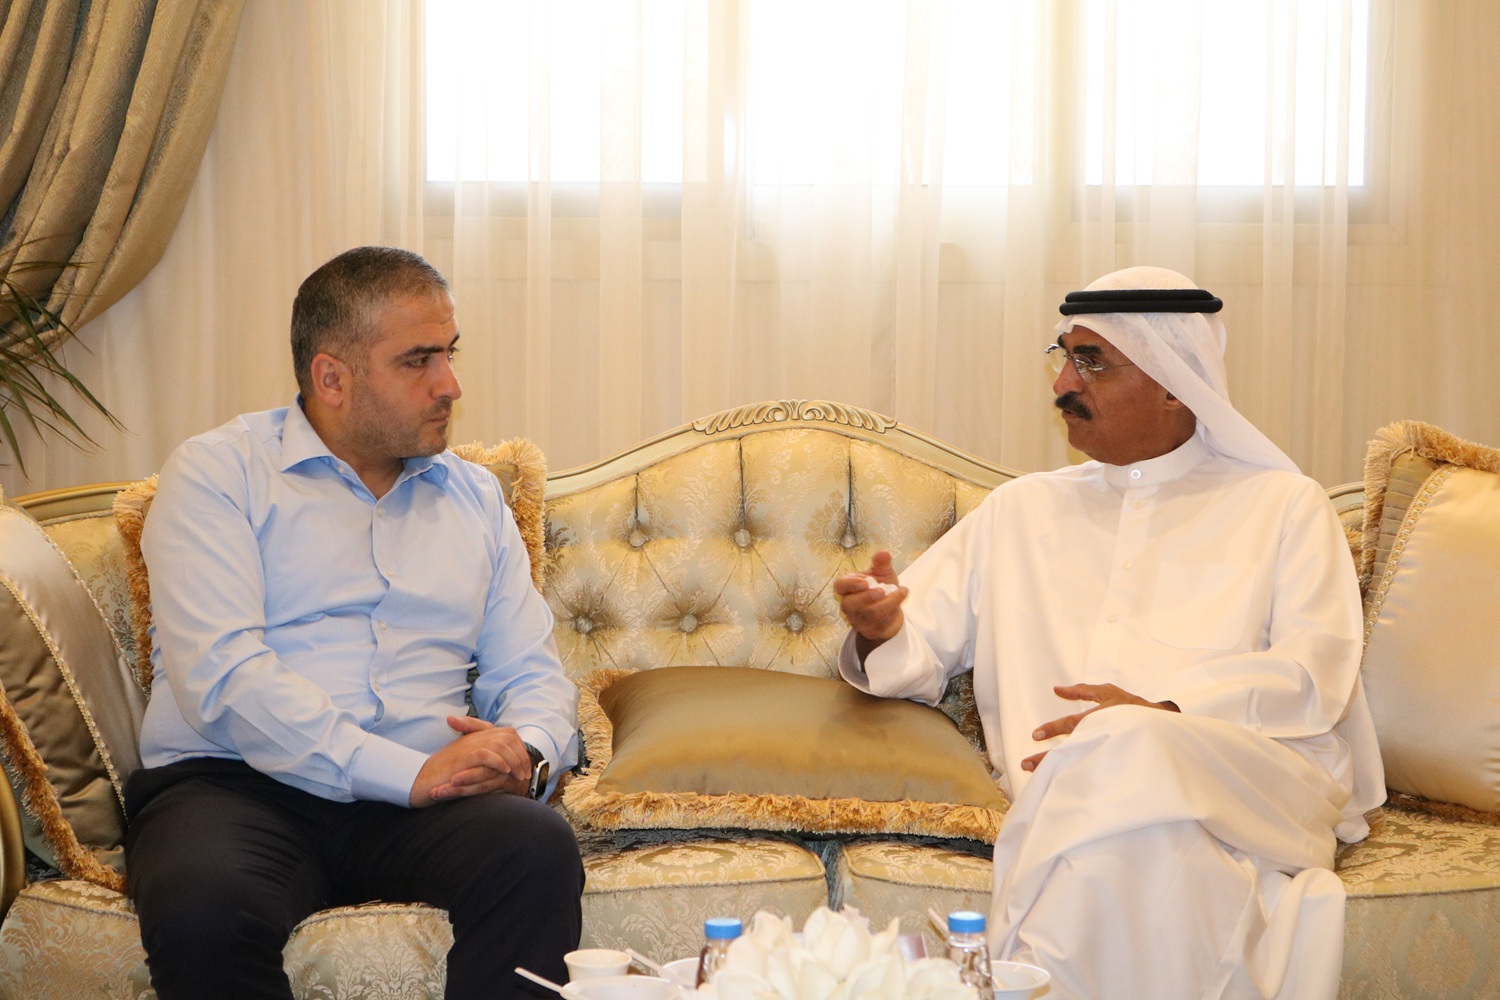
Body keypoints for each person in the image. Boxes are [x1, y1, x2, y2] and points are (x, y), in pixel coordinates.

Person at [835, 266, 1384, 1000]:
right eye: (1063, 357)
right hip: (1074, 803)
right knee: (1125, 844)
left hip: (1249, 781)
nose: (1064, 383)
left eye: (1092, 362)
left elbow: (1316, 672)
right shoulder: (1021, 511)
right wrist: (880, 628)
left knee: (1124, 741)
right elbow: (916, 653)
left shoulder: (1284, 505)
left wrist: (1165, 714)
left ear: (1172, 383)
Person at [126, 246, 583, 1000]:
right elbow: (224, 678)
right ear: (331, 377)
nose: (450, 384)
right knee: (203, 906)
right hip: (235, 787)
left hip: (427, 793)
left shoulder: (474, 498)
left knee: (534, 847)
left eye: (450, 353)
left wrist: (527, 756)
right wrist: (404, 773)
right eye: (418, 361)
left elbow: (530, 670)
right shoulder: (219, 475)